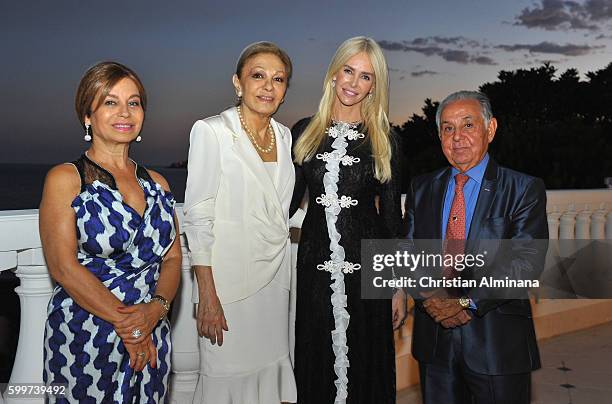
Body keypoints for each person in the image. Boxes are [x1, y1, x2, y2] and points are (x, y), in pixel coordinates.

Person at [40, 61, 181, 402]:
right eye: (110, 101)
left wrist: (155, 311)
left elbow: (173, 257)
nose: (125, 112)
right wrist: (130, 326)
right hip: (85, 333)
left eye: (134, 102)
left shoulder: (158, 183)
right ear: (87, 116)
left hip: (151, 330)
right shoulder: (66, 179)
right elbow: (63, 267)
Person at [404, 90, 548, 404]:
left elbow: (526, 261)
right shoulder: (422, 187)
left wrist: (466, 302)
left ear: (490, 129)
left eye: (468, 125)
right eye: (448, 128)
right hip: (435, 342)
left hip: (497, 345)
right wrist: (431, 300)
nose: (458, 137)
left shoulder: (523, 189)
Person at [290, 36, 406, 403]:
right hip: (314, 269)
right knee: (316, 359)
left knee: (366, 363)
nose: (353, 84)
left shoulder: (386, 139)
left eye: (366, 77)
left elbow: (390, 219)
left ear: (376, 85)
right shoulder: (304, 131)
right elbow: (285, 204)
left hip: (368, 270)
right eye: (348, 71)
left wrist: (398, 284)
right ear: (333, 73)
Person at [183, 42, 297, 403]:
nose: (268, 86)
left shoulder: (285, 136)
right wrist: (207, 295)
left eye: (278, 79)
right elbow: (198, 215)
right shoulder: (211, 131)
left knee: (271, 377)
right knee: (224, 378)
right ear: (238, 83)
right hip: (228, 289)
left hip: (276, 280)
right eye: (258, 76)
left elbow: (282, 210)